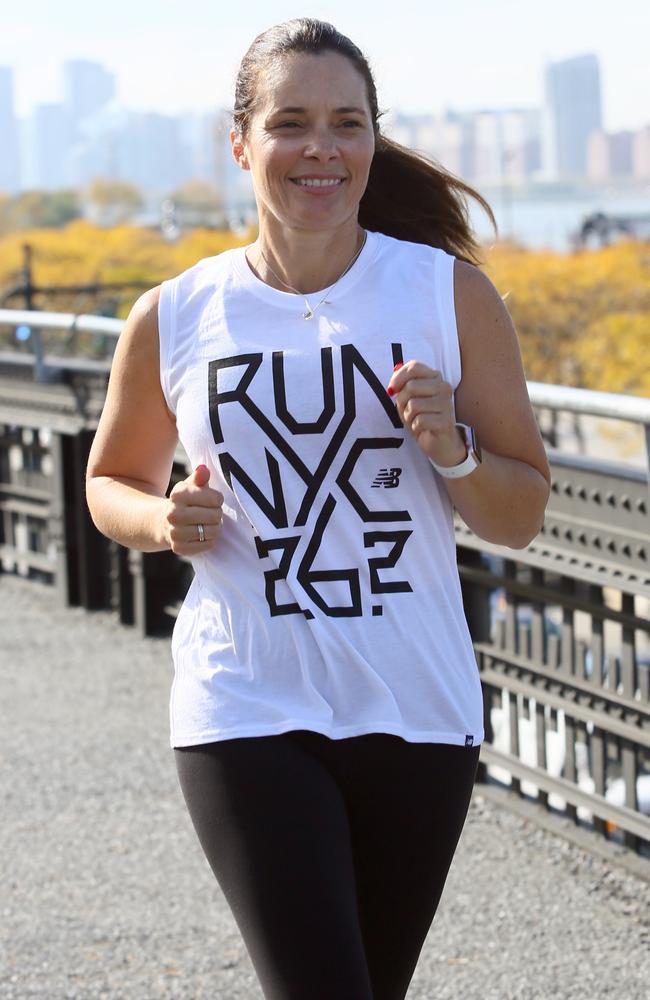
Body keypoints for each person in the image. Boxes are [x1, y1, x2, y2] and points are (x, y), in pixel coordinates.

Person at [86, 17, 550, 1000]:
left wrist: (452, 451)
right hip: (244, 701)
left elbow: (517, 514)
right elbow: (107, 481)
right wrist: (162, 520)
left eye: (345, 123)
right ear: (241, 142)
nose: (319, 148)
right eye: (290, 122)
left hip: (415, 707)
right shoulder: (175, 313)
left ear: (372, 141)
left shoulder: (445, 295)